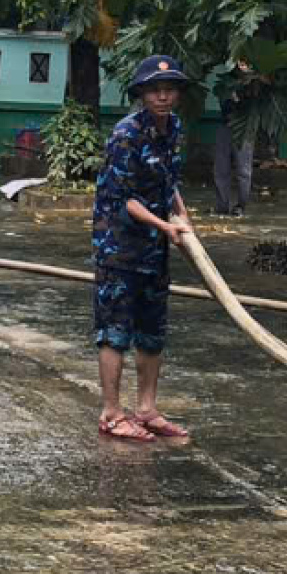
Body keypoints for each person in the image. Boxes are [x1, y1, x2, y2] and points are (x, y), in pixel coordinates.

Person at [92, 54, 195, 443]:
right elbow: (126, 200)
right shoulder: (126, 134)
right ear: (142, 94)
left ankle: (147, 409)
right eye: (155, 90)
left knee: (152, 330)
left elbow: (168, 182)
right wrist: (165, 225)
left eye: (169, 90)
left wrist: (183, 217)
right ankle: (112, 413)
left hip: (155, 249)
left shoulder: (173, 129)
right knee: (114, 331)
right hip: (119, 247)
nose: (164, 97)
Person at [212, 62, 264, 217]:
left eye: (246, 62)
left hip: (245, 128)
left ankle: (240, 206)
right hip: (226, 125)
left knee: (243, 170)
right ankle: (222, 206)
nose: (243, 65)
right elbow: (223, 100)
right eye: (240, 62)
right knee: (221, 168)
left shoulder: (256, 83)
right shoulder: (227, 81)